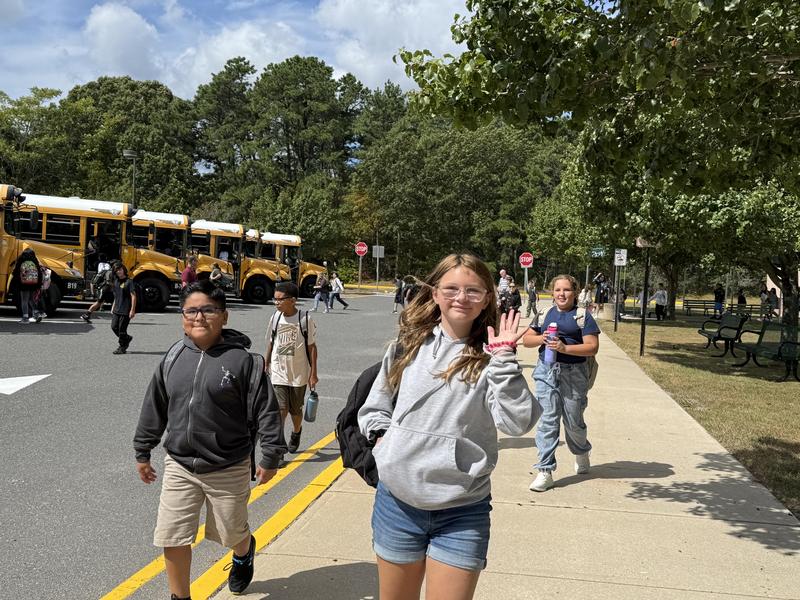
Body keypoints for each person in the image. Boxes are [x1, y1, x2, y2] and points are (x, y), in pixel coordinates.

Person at [358, 253, 539, 600]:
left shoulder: (493, 357)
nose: (462, 297)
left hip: (462, 510)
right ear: (435, 293)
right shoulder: (406, 347)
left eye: (473, 290)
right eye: (452, 288)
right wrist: (385, 442)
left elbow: (518, 424)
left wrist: (503, 362)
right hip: (398, 503)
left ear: (488, 297)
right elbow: (375, 407)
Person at [133, 280, 287, 599]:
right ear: (182, 317)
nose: (199, 317)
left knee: (231, 533)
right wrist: (143, 450)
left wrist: (270, 455)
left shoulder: (245, 362)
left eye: (208, 310)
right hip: (181, 465)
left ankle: (243, 553)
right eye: (191, 310)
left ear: (224, 316)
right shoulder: (174, 357)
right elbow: (155, 404)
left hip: (228, 466)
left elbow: (267, 412)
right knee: (172, 536)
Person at [523, 274, 600, 492]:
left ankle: (581, 450)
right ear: (552, 292)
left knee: (574, 421)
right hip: (546, 371)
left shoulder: (582, 316)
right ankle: (545, 470)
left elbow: (592, 347)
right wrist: (542, 338)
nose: (561, 294)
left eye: (566, 290)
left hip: (574, 372)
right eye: (557, 290)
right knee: (548, 419)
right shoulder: (544, 314)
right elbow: (527, 340)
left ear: (574, 292)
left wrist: (565, 348)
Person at [267, 282, 319, 454]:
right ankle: (279, 449)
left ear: (293, 300)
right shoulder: (275, 317)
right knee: (281, 410)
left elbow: (312, 347)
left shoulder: (304, 319)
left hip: (298, 372)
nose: (276, 303)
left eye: (280, 300)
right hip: (278, 371)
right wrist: (266, 363)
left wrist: (313, 373)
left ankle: (296, 432)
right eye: (275, 300)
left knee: (295, 411)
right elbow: (271, 342)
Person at [110, 263, 137, 355]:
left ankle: (122, 347)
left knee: (122, 329)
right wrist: (113, 306)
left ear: (124, 270)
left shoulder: (129, 282)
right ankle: (127, 338)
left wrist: (132, 310)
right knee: (114, 327)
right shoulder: (116, 281)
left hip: (126, 309)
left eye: (120, 269)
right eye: (116, 270)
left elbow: (133, 296)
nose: (118, 271)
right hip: (117, 308)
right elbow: (116, 295)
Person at [80, 255, 114, 323]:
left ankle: (86, 315)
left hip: (103, 289)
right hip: (106, 289)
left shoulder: (105, 269)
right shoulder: (111, 273)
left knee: (99, 303)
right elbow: (109, 282)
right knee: (101, 302)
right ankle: (115, 317)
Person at [13, 247, 42, 323]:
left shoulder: (21, 259)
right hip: (33, 283)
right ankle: (37, 314)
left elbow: (16, 272)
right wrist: (38, 284)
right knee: (31, 299)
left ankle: (25, 318)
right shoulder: (35, 260)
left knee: (24, 300)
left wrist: (16, 282)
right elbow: (39, 272)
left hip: (24, 283)